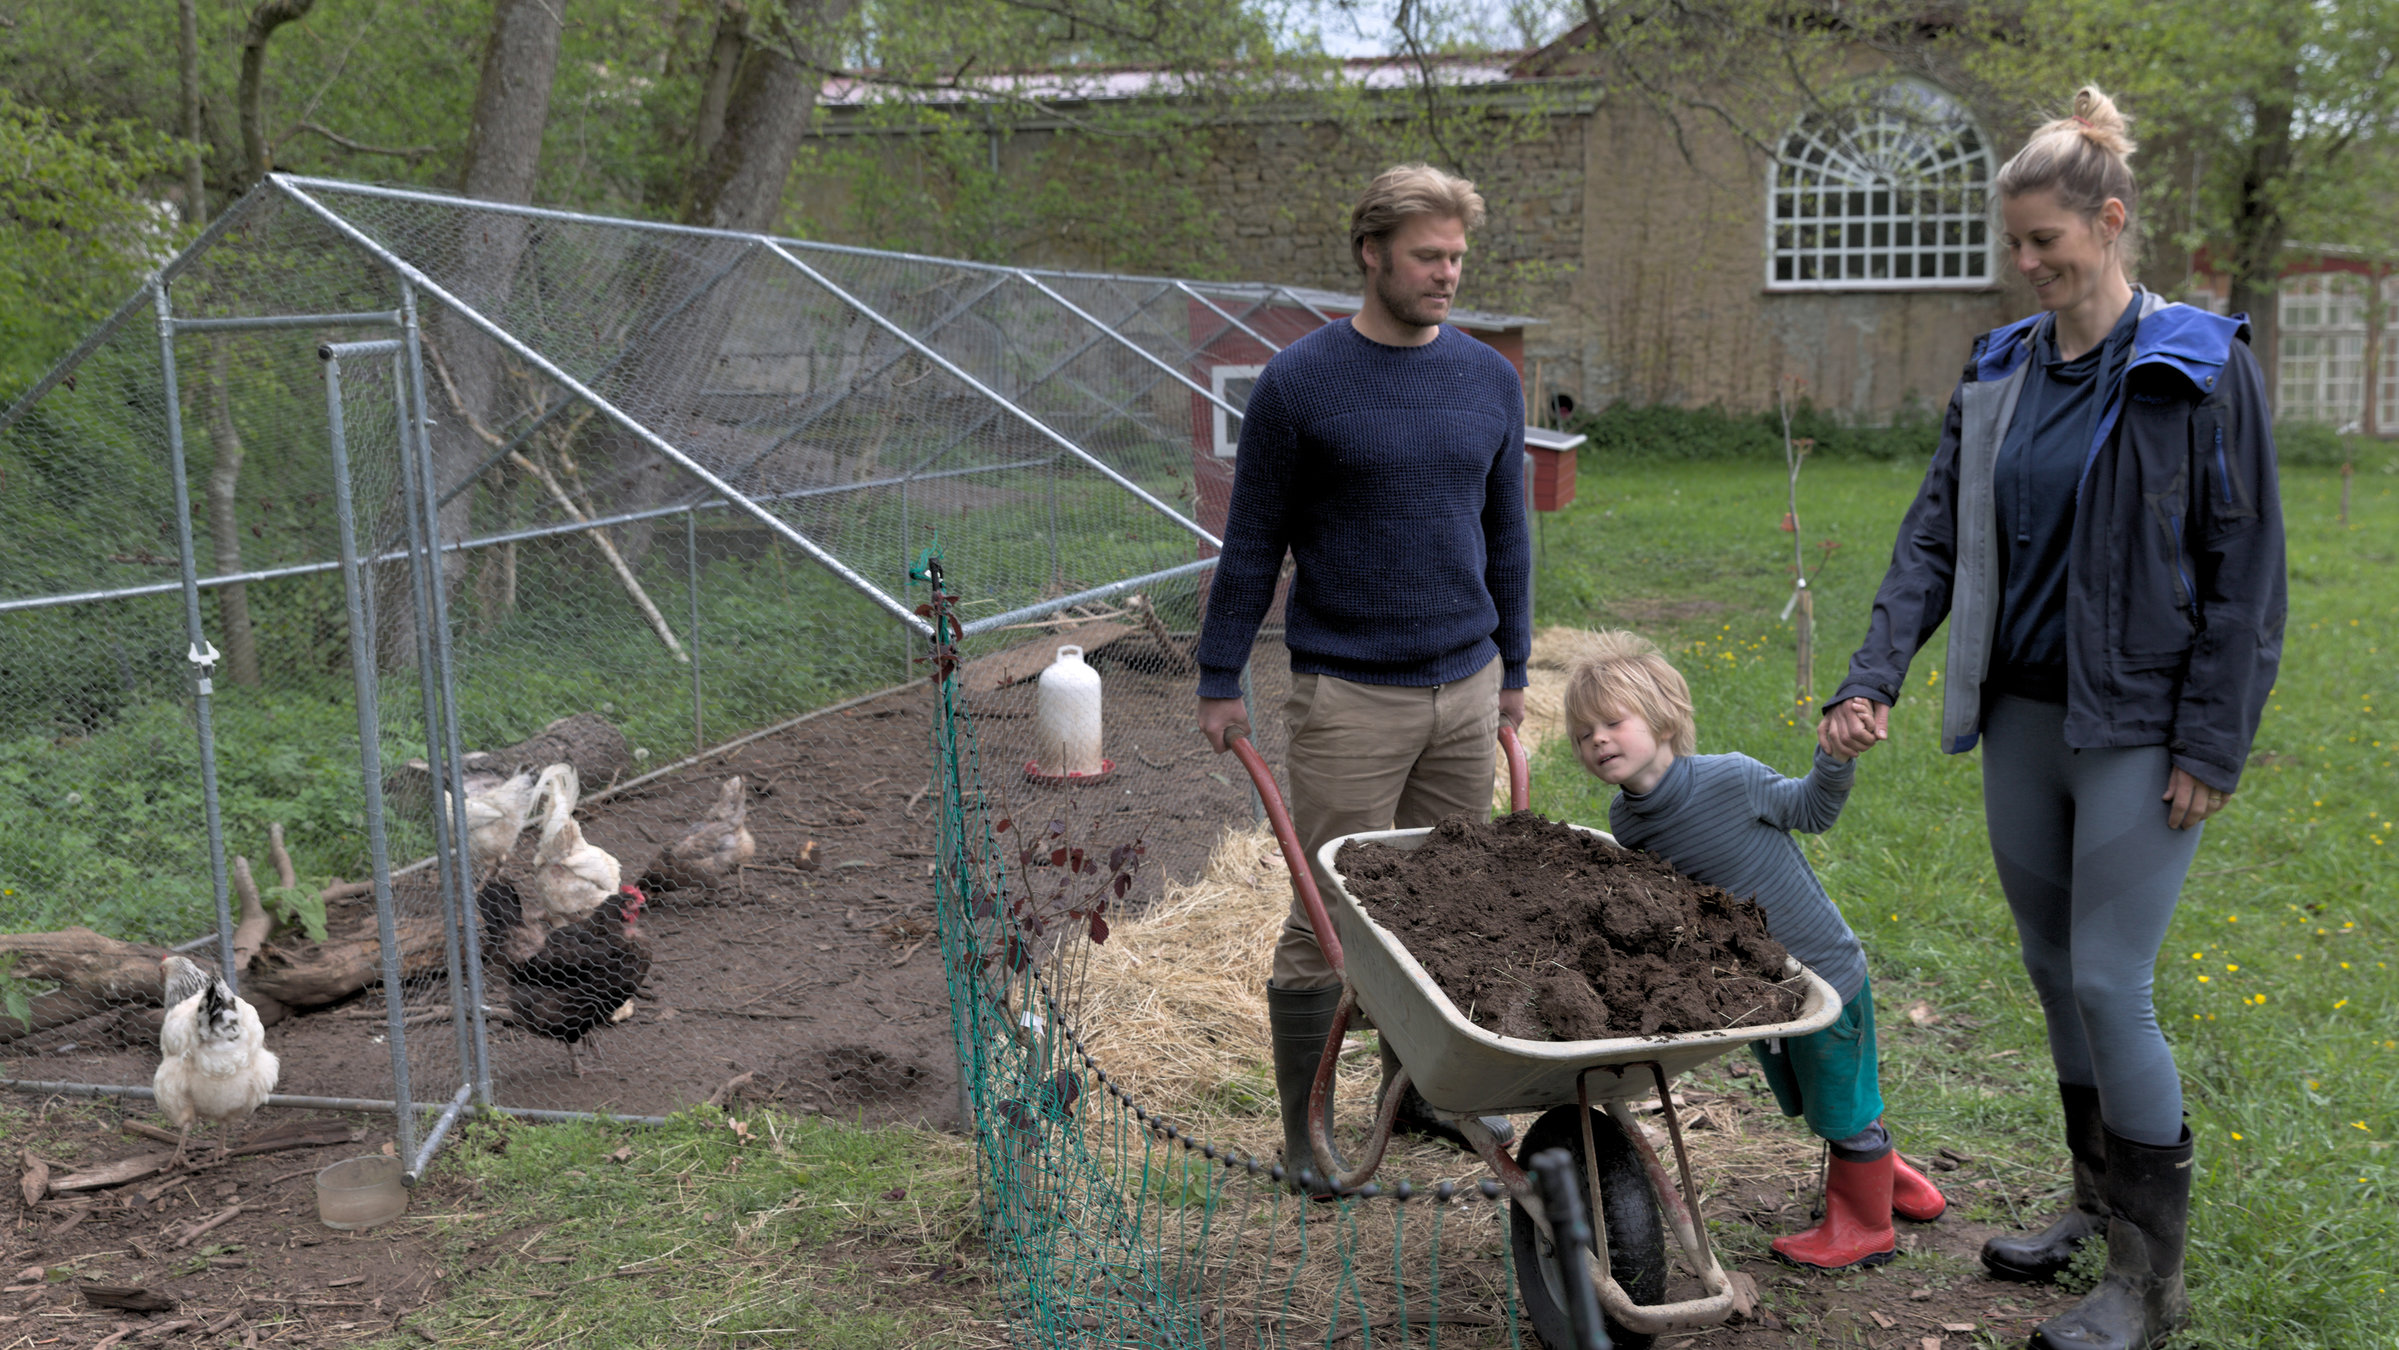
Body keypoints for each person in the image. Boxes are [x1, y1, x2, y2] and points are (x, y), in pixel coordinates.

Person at [1822, 87, 2285, 1350]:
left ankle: (2148, 1283)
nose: (2025, 264)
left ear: (2109, 221)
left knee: (2106, 980)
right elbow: (1930, 537)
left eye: (2046, 241)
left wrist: (2210, 741)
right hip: (2021, 716)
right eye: (2012, 243)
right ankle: (2093, 1206)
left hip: (2136, 726)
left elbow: (2245, 572)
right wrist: (1872, 674)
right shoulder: (1999, 370)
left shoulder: (2197, 364)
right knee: (2047, 971)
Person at [1192, 163, 1531, 1186]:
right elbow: (1252, 541)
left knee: (1446, 901)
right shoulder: (1301, 383)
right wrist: (1218, 673)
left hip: (1464, 686)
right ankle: (1308, 1134)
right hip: (1348, 695)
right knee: (1331, 912)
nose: (1446, 275)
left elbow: (1507, 536)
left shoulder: (1486, 379)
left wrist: (1513, 669)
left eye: (1456, 258)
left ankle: (1421, 1091)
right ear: (1370, 254)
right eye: (1427, 257)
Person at [1564, 630, 1948, 1269]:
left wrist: (1834, 759)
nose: (1598, 740)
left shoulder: (1731, 778)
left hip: (1823, 972)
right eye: (1583, 734)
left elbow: (1812, 811)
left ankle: (1866, 1227)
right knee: (1815, 1096)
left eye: (1612, 723)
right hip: (1762, 988)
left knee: (1839, 1102)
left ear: (1664, 719)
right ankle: (1891, 1178)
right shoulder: (1626, 822)